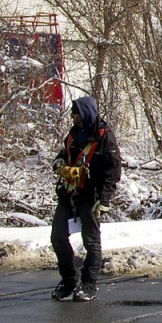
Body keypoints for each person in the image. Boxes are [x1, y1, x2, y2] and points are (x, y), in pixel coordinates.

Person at [50, 95, 122, 302]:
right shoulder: (74, 134)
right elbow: (64, 152)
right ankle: (69, 280)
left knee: (90, 241)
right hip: (69, 194)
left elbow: (113, 169)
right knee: (58, 237)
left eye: (75, 113)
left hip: (91, 196)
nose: (73, 117)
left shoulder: (104, 137)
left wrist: (105, 199)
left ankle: (89, 284)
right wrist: (59, 163)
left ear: (85, 113)